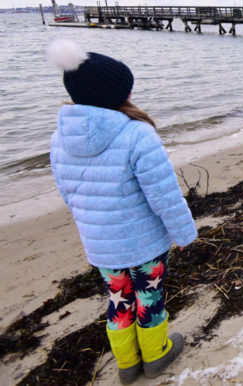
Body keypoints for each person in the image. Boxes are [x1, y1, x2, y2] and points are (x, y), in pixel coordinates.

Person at [48, 38, 198, 384]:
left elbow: (68, 195)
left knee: (119, 300)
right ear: (116, 95)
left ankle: (127, 365)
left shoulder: (59, 138)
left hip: (101, 245)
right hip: (144, 243)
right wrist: (184, 233)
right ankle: (156, 355)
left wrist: (92, 223)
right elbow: (164, 195)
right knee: (149, 298)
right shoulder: (137, 135)